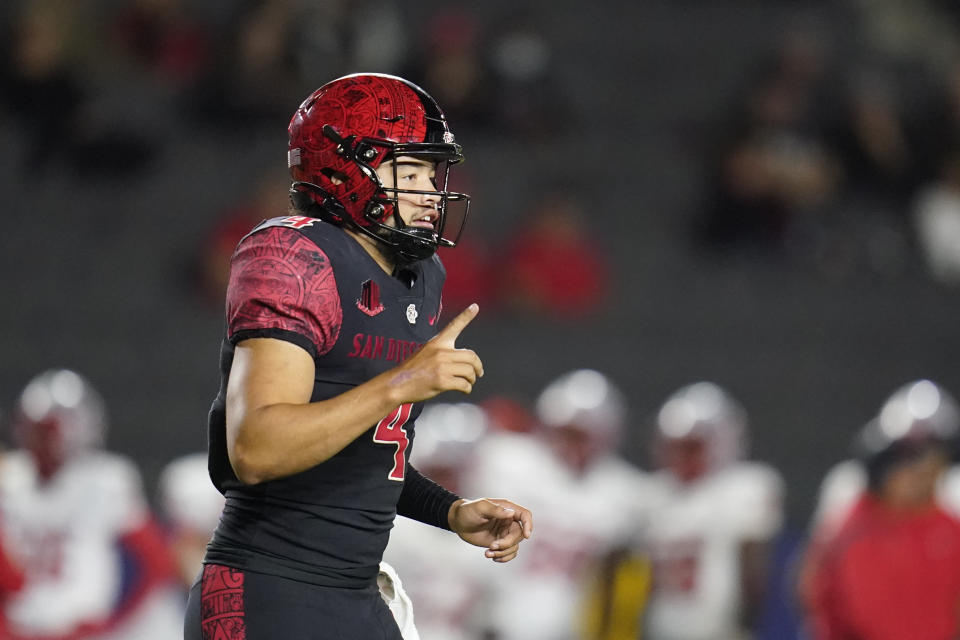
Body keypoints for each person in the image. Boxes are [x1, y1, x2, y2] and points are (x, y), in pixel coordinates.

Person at [183, 72, 533, 640]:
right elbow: (256, 448)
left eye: (432, 172)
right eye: (408, 170)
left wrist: (449, 511)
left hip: (354, 594)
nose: (429, 191)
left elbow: (366, 456)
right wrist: (399, 383)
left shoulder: (419, 275)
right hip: (269, 588)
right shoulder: (297, 254)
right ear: (346, 170)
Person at [0, 369, 183, 639]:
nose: (36, 439)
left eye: (48, 430)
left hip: (84, 624)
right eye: (33, 428)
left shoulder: (105, 480)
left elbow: (156, 562)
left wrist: (112, 623)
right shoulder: (11, 480)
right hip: (29, 622)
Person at [471, 369, 650, 640]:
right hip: (498, 619)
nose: (570, 444)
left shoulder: (625, 493)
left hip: (574, 626)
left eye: (581, 435)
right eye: (564, 432)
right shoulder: (512, 461)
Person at [798, 379, 960, 640]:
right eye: (907, 455)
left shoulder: (951, 522)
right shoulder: (851, 511)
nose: (917, 470)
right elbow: (815, 587)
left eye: (930, 455)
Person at [640, 381, 785, 640]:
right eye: (673, 447)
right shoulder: (651, 496)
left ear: (722, 441)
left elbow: (755, 578)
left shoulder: (744, 488)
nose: (679, 457)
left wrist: (747, 625)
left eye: (691, 447)